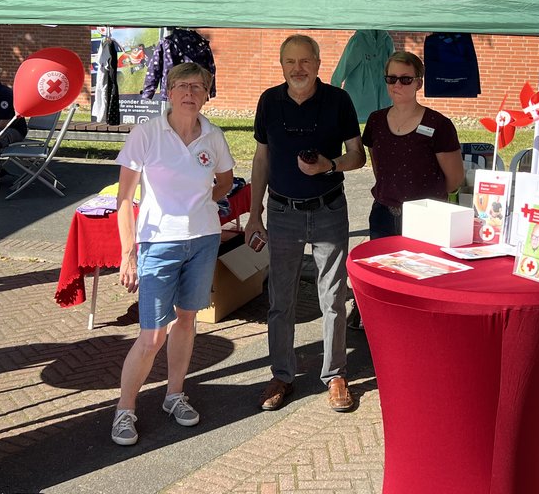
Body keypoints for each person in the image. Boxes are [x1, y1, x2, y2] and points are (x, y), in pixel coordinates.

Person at [110, 62, 234, 447]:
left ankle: (174, 395)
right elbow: (125, 199)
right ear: (169, 90)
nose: (189, 93)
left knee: (186, 322)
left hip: (203, 239)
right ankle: (124, 409)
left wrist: (199, 203)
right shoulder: (147, 134)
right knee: (151, 335)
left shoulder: (213, 135)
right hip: (157, 244)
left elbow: (226, 181)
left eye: (198, 86)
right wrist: (128, 255)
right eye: (182, 85)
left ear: (206, 93)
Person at [245, 35, 365, 413]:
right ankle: (282, 374)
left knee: (332, 296)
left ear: (318, 62)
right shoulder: (269, 100)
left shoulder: (338, 101)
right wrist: (253, 213)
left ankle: (335, 375)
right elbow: (261, 159)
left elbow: (357, 156)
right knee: (280, 299)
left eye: (305, 61)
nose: (298, 69)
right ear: (282, 65)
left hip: (329, 208)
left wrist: (328, 165)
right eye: (290, 62)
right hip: (282, 212)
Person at [350, 51, 463, 328]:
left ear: (419, 83)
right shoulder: (376, 121)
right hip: (384, 214)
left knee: (422, 283)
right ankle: (381, 329)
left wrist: (427, 200)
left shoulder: (438, 125)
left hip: (426, 219)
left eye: (405, 79)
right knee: (384, 279)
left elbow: (455, 178)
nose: (397, 85)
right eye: (391, 78)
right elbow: (379, 166)